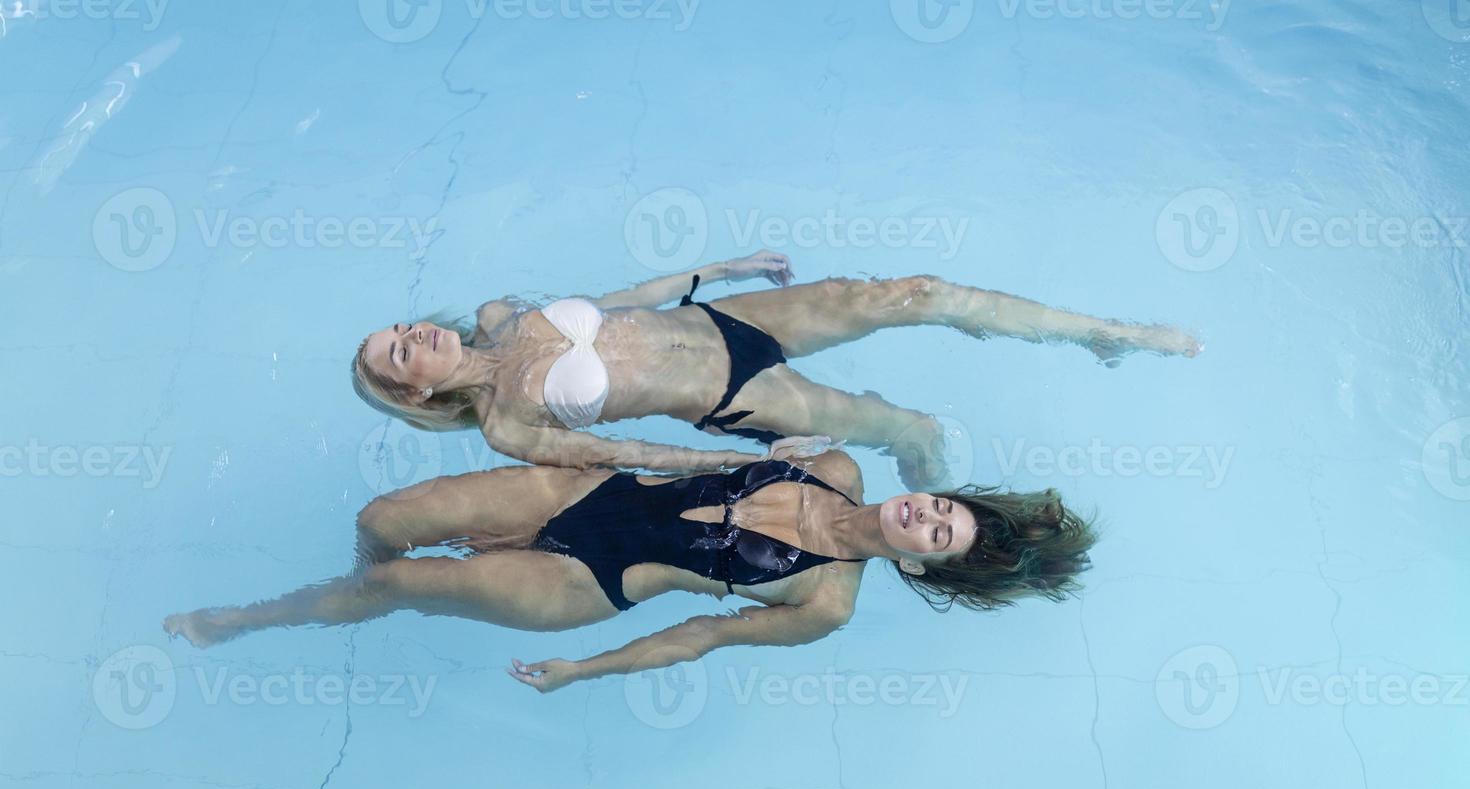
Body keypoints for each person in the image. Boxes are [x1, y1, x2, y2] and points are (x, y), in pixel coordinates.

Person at [162, 451, 1097, 693]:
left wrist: (583, 671)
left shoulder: (826, 600)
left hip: (585, 586)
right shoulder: (837, 463)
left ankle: (253, 619)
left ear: (927, 570)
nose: (923, 517)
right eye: (941, 507)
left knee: (401, 585)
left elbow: (697, 638)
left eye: (935, 537)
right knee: (383, 525)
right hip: (584, 492)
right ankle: (348, 589)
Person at [352, 252, 1199, 490]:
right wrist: (741, 464)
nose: (412, 334)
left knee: (918, 291)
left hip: (732, 318)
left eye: (399, 326)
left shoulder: (503, 311)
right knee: (915, 427)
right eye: (398, 351)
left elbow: (616, 300)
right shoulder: (506, 425)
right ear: (414, 392)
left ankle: (1101, 334)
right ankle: (938, 504)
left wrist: (719, 272)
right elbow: (628, 458)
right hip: (738, 396)